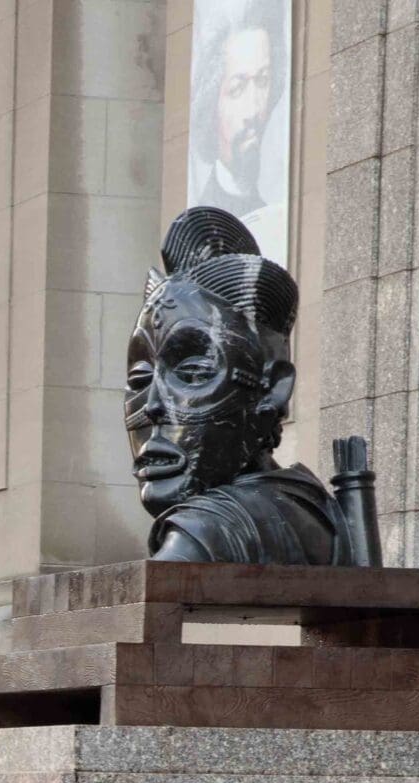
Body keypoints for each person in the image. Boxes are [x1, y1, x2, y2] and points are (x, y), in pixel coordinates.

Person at [124, 207, 355, 565]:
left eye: (194, 372)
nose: (152, 405)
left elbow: (148, 588)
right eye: (139, 379)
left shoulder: (214, 529)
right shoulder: (309, 512)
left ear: (272, 388)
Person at [191, 0, 287, 250]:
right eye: (237, 88)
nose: (254, 109)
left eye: (263, 81)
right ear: (211, 104)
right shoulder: (202, 224)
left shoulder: (274, 210)